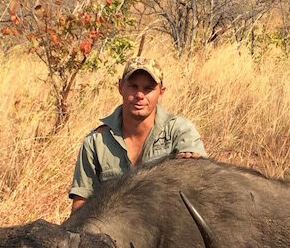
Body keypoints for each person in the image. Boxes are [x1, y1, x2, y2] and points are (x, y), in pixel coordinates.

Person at [69, 57, 207, 212]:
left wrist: (195, 165)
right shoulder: (96, 141)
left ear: (161, 93)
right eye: (133, 86)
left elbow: (202, 191)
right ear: (121, 87)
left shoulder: (181, 132)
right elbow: (80, 205)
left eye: (148, 89)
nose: (140, 95)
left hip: (166, 227)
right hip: (111, 230)